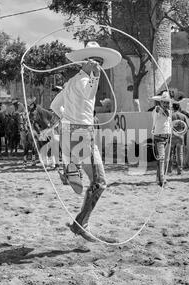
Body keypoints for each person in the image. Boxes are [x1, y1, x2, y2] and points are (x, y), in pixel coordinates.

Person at [49, 41, 122, 242]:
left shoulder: (71, 82)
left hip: (75, 131)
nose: (98, 66)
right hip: (83, 133)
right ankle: (80, 223)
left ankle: (71, 166)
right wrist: (96, 75)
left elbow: (55, 105)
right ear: (88, 63)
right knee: (99, 182)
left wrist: (68, 118)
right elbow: (89, 93)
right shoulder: (85, 81)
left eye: (99, 63)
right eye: (96, 62)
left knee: (99, 182)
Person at [150, 91, 172, 186]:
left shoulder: (170, 112)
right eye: (164, 102)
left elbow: (169, 124)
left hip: (167, 137)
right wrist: (158, 110)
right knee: (162, 158)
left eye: (167, 102)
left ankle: (158, 177)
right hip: (159, 137)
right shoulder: (156, 110)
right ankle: (162, 179)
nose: (166, 104)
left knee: (165, 159)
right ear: (161, 102)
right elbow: (156, 113)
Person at [169, 103, 189, 175]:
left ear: (172, 108)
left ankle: (169, 169)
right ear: (179, 108)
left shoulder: (170, 116)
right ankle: (179, 170)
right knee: (180, 154)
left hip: (172, 136)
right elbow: (187, 128)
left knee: (170, 153)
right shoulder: (183, 116)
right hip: (180, 137)